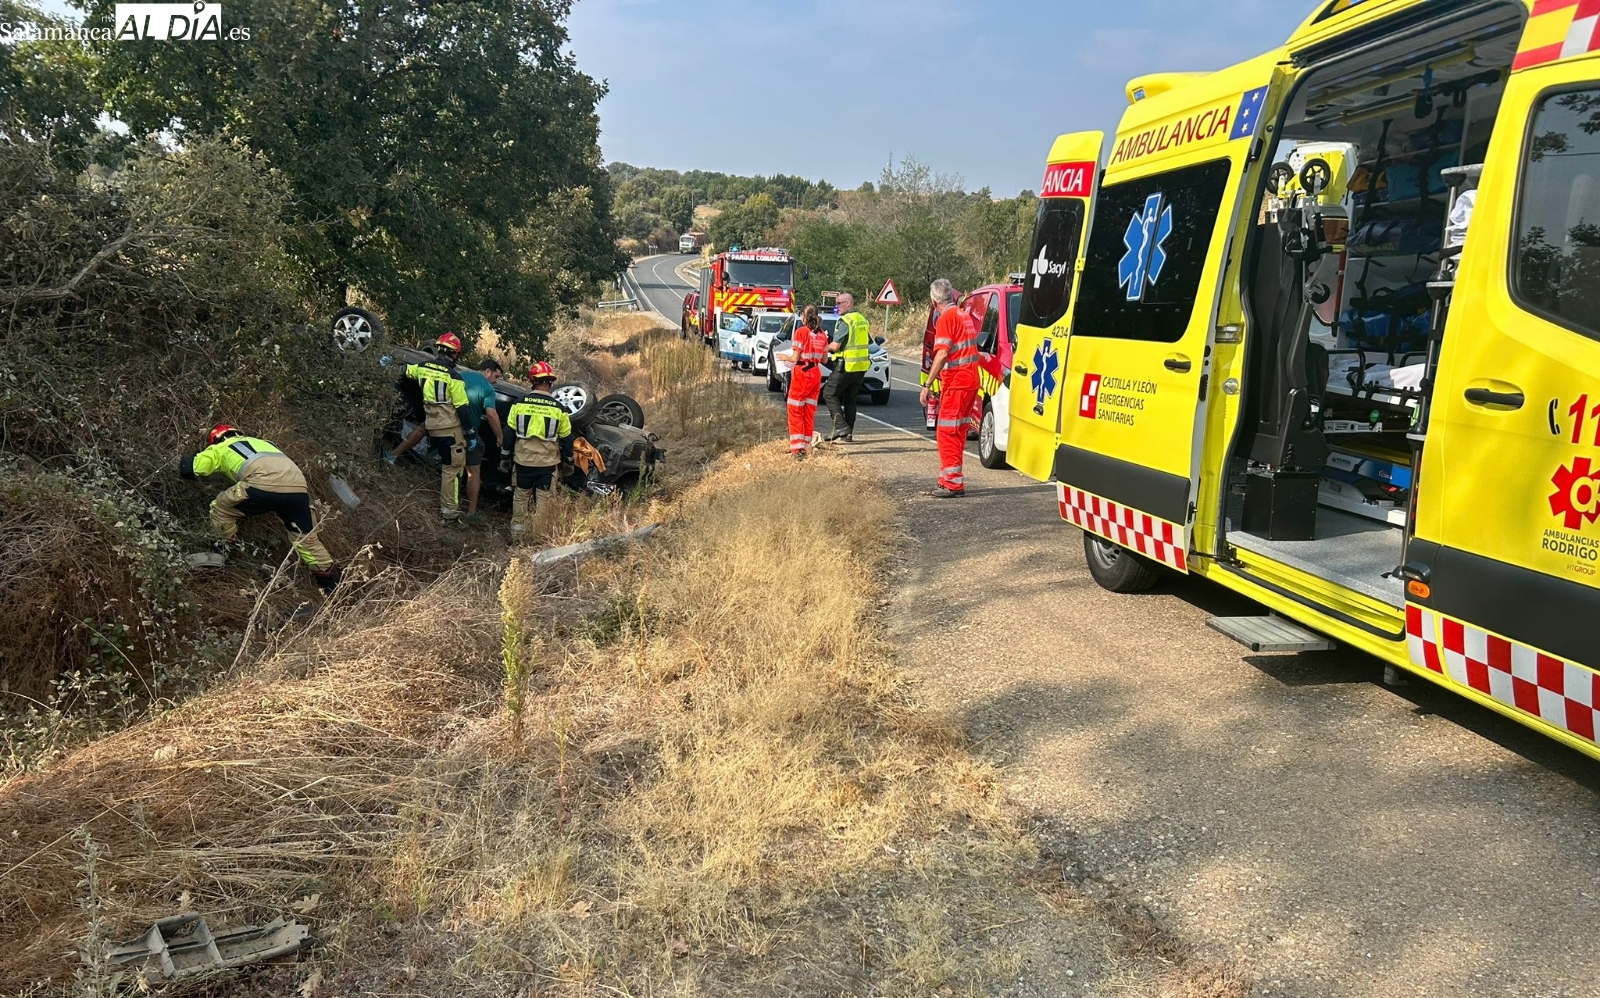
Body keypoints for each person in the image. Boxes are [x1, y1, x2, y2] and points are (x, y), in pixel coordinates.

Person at [180, 424, 342, 594]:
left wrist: (182, 457)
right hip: (298, 490)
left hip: (262, 486)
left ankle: (225, 553)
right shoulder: (266, 444)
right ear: (237, 433)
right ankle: (335, 587)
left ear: (217, 439)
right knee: (306, 541)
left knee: (220, 508)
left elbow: (189, 469)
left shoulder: (221, 447)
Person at [402, 332, 476, 525]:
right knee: (452, 469)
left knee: (449, 467)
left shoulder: (422, 367)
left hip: (431, 424)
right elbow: (462, 407)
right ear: (455, 354)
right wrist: (470, 432)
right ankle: (449, 514)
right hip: (449, 428)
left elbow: (406, 371)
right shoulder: (454, 377)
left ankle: (450, 509)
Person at [918, 279, 978, 498]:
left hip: (957, 382)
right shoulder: (963, 315)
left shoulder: (946, 318)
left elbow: (942, 353)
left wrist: (927, 384)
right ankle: (950, 479)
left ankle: (952, 483)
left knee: (946, 432)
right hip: (970, 381)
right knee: (959, 431)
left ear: (934, 301)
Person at [502, 361, 574, 540]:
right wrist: (569, 461)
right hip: (547, 465)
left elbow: (509, 432)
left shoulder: (519, 404)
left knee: (520, 497)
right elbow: (567, 438)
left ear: (532, 381)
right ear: (550, 383)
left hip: (523, 462)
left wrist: (504, 456)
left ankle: (517, 536)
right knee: (544, 500)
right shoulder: (559, 409)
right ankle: (539, 537)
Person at [777, 305, 830, 459]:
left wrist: (783, 357)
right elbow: (825, 359)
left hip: (802, 374)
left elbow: (794, 358)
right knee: (808, 411)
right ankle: (806, 446)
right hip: (815, 373)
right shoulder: (822, 334)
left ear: (803, 316)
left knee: (795, 410)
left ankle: (797, 449)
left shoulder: (801, 332)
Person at [459, 359, 506, 525]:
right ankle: (471, 512)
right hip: (468, 434)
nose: (496, 381)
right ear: (487, 371)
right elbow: (492, 415)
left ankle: (392, 455)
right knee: (474, 472)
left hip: (447, 426)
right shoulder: (487, 388)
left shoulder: (460, 375)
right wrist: (500, 437)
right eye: (496, 376)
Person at [824, 292, 871, 441]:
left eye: (838, 303)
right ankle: (848, 434)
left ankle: (840, 427)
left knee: (829, 393)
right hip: (861, 367)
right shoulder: (861, 319)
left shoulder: (845, 320)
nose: (836, 307)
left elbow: (835, 346)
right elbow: (867, 342)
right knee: (851, 399)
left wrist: (824, 345)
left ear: (848, 303)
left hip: (846, 365)